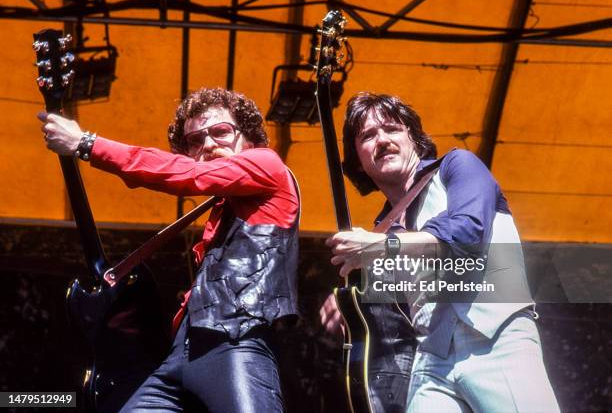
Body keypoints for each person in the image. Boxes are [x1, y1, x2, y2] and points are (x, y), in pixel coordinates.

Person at [37, 87, 300, 412]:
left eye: (220, 132)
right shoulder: (221, 210)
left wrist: (87, 144)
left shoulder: (267, 164)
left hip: (235, 344)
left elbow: (187, 174)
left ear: (248, 139)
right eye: (195, 140)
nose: (208, 144)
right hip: (180, 356)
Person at [324, 92, 560, 412]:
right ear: (358, 162)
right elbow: (389, 314)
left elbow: (466, 236)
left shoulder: (456, 167)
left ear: (414, 140)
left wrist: (383, 246)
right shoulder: (380, 230)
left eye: (392, 129)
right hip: (432, 361)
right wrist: (354, 303)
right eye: (367, 135)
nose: (382, 139)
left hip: (497, 341)